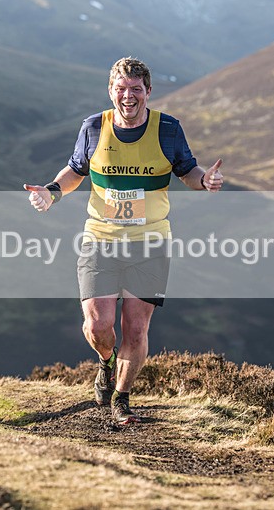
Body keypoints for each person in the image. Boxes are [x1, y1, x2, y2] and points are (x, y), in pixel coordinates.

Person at [24, 57, 223, 425]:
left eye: (135, 90)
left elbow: (187, 171)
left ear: (148, 91)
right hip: (100, 239)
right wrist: (51, 191)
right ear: (110, 90)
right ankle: (105, 361)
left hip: (150, 244)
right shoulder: (94, 128)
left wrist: (204, 181)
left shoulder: (167, 130)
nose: (128, 97)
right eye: (121, 89)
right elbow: (75, 170)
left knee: (136, 327)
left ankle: (122, 397)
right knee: (99, 327)